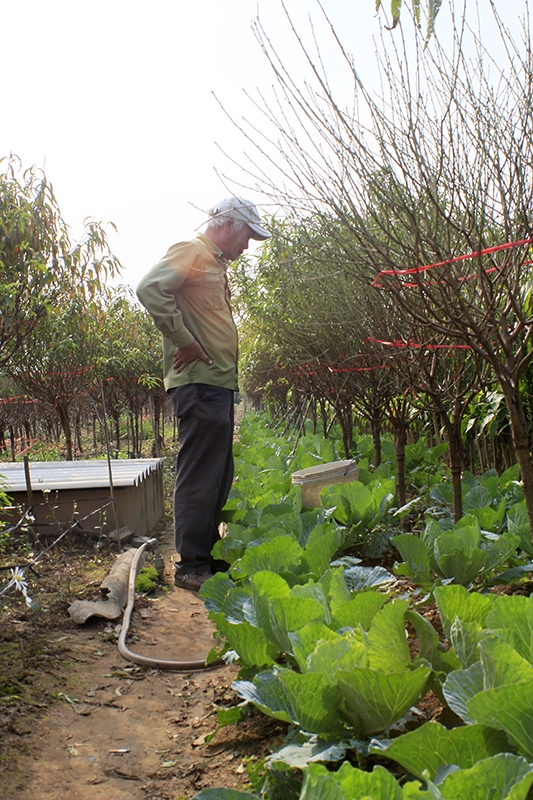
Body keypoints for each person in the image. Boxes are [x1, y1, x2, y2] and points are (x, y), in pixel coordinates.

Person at [136, 197, 270, 592]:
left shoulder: (214, 263)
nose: (247, 246)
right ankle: (192, 565)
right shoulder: (192, 251)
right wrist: (185, 340)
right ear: (229, 224)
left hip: (217, 385)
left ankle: (206, 556)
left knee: (218, 473)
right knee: (199, 474)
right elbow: (149, 288)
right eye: (247, 235)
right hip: (198, 382)